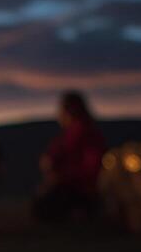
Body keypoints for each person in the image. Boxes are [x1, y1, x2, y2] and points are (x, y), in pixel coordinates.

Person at [32, 90, 107, 222]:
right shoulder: (71, 134)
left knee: (43, 208)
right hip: (70, 187)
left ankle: (80, 213)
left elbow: (91, 168)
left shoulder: (84, 133)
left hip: (80, 191)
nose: (59, 114)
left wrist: (61, 176)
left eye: (61, 110)